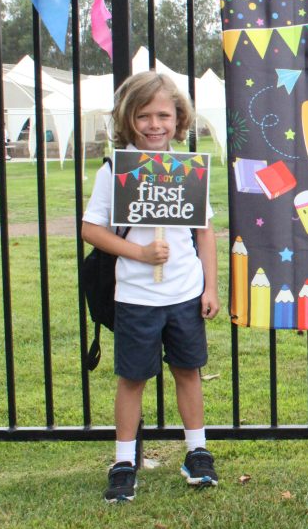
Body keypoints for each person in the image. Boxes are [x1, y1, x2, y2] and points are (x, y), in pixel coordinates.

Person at [82, 71, 220, 502]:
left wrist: (210, 288)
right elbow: (91, 229)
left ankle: (196, 452)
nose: (154, 124)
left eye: (164, 114)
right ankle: (124, 460)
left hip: (183, 293)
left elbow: (205, 233)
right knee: (132, 378)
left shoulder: (187, 169)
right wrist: (138, 253)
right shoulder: (114, 170)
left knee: (187, 371)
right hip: (136, 296)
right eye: (144, 116)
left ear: (178, 118)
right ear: (129, 118)